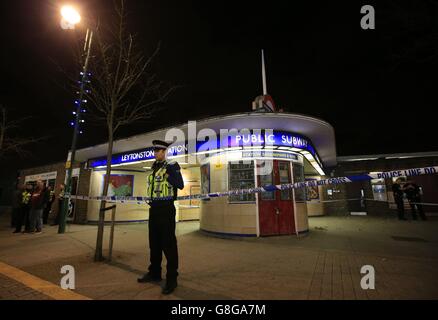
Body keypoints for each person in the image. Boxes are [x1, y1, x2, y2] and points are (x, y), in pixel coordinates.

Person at [138, 140, 184, 295]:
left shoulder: (172, 165)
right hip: (154, 210)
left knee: (168, 245)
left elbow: (180, 184)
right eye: (154, 151)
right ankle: (154, 273)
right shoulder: (154, 167)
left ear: (164, 152)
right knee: (154, 244)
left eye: (157, 151)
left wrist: (169, 175)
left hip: (166, 210)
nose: (155, 153)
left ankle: (172, 279)